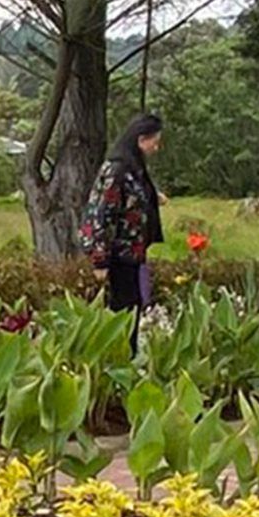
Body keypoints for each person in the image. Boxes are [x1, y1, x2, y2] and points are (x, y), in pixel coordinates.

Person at [85, 112, 164, 350]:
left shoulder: (133, 169)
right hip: (119, 253)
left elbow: (131, 197)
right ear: (141, 140)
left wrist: (152, 198)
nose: (156, 148)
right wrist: (100, 260)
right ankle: (119, 357)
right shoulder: (116, 170)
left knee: (135, 304)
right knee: (123, 310)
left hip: (134, 252)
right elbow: (100, 213)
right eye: (155, 142)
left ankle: (128, 356)